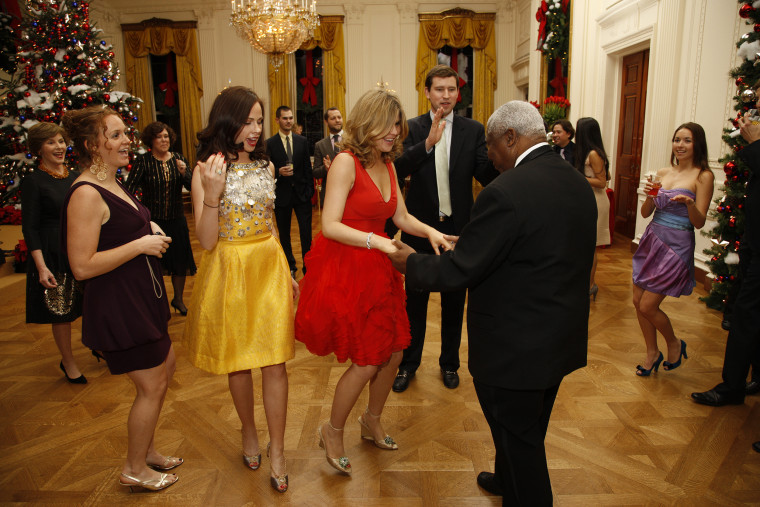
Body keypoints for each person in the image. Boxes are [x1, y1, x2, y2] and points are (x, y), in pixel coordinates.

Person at [389, 100, 597, 505]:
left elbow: (456, 274)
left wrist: (407, 261)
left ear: (511, 138)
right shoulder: (573, 182)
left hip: (515, 350)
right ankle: (507, 479)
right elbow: (536, 244)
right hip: (560, 338)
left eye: (492, 147)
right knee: (529, 427)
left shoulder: (505, 192)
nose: (490, 158)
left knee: (519, 439)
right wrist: (474, 242)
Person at [295, 88, 453, 475]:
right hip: (348, 269)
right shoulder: (346, 163)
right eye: (388, 123)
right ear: (367, 122)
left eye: (398, 124)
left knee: (395, 352)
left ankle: (371, 419)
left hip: (379, 269)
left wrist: (432, 232)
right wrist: (376, 240)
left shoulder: (389, 164)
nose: (395, 132)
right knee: (367, 361)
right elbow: (330, 225)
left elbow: (400, 217)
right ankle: (331, 431)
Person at [183, 87, 298, 493]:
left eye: (259, 121)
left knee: (275, 361)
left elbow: (270, 224)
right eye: (247, 121)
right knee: (239, 360)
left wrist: (286, 270)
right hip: (229, 268)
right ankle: (249, 432)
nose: (255, 129)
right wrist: (212, 196)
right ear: (227, 121)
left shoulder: (267, 166)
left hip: (267, 265)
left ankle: (279, 449)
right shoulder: (205, 170)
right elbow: (208, 241)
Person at [61, 106, 179, 492]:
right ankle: (134, 469)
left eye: (124, 133)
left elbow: (120, 227)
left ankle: (145, 450)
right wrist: (140, 243)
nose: (127, 140)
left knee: (165, 372)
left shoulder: (112, 181)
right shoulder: (85, 193)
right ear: (92, 146)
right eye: (115, 135)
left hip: (141, 298)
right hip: (118, 306)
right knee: (152, 386)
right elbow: (82, 266)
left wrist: (148, 226)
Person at [392, 64, 498, 393]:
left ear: (458, 93)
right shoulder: (411, 128)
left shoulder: (473, 129)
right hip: (419, 229)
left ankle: (449, 364)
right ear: (427, 92)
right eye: (439, 89)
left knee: (454, 302)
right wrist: (426, 143)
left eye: (452, 89)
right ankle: (408, 365)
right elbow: (395, 168)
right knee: (415, 303)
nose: (446, 95)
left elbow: (485, 173)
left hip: (458, 231)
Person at [691, 105, 759, 422]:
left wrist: (755, 142)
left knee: (746, 316)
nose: (755, 107)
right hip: (753, 241)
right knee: (744, 313)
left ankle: (732, 387)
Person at [632, 122, 714, 376]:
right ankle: (651, 352)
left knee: (648, 306)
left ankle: (674, 342)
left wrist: (689, 203)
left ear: (697, 144)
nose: (680, 145)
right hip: (652, 239)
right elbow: (646, 213)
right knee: (637, 301)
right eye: (677, 139)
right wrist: (650, 195)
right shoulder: (663, 172)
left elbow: (699, 222)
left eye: (687, 140)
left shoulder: (704, 176)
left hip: (677, 246)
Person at [21, 122, 86, 383]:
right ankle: (68, 361)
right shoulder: (33, 181)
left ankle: (99, 345)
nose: (59, 147)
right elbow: (30, 227)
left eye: (61, 141)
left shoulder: (75, 176)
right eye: (51, 142)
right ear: (38, 149)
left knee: (89, 303)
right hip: (52, 253)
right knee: (62, 311)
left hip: (80, 247)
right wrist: (41, 266)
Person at [126, 122, 196, 316]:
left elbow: (193, 187)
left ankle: (179, 299)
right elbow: (130, 189)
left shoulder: (179, 159)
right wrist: (139, 214)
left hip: (177, 219)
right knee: (155, 264)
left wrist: (184, 172)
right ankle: (158, 303)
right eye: (159, 137)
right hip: (153, 221)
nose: (164, 140)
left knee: (180, 262)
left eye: (166, 136)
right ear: (151, 140)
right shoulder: (143, 161)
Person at [266, 105, 314, 279]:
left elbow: (308, 168)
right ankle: (290, 266)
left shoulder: (301, 141)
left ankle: (308, 266)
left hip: (302, 195)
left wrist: (309, 191)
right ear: (277, 120)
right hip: (282, 196)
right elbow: (265, 170)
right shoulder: (270, 144)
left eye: (291, 118)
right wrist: (278, 171)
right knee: (284, 235)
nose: (288, 121)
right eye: (285, 118)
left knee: (306, 233)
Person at [574, 117, 611, 299]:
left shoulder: (594, 154)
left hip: (596, 201)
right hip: (588, 199)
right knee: (584, 245)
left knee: (590, 246)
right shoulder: (592, 153)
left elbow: (602, 182)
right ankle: (584, 283)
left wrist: (576, 177)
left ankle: (589, 285)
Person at [312, 107, 343, 207]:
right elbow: (316, 172)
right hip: (330, 195)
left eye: (339, 117)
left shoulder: (353, 140)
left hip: (351, 193)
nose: (337, 120)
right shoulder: (320, 145)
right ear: (326, 122)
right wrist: (325, 168)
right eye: (333, 118)